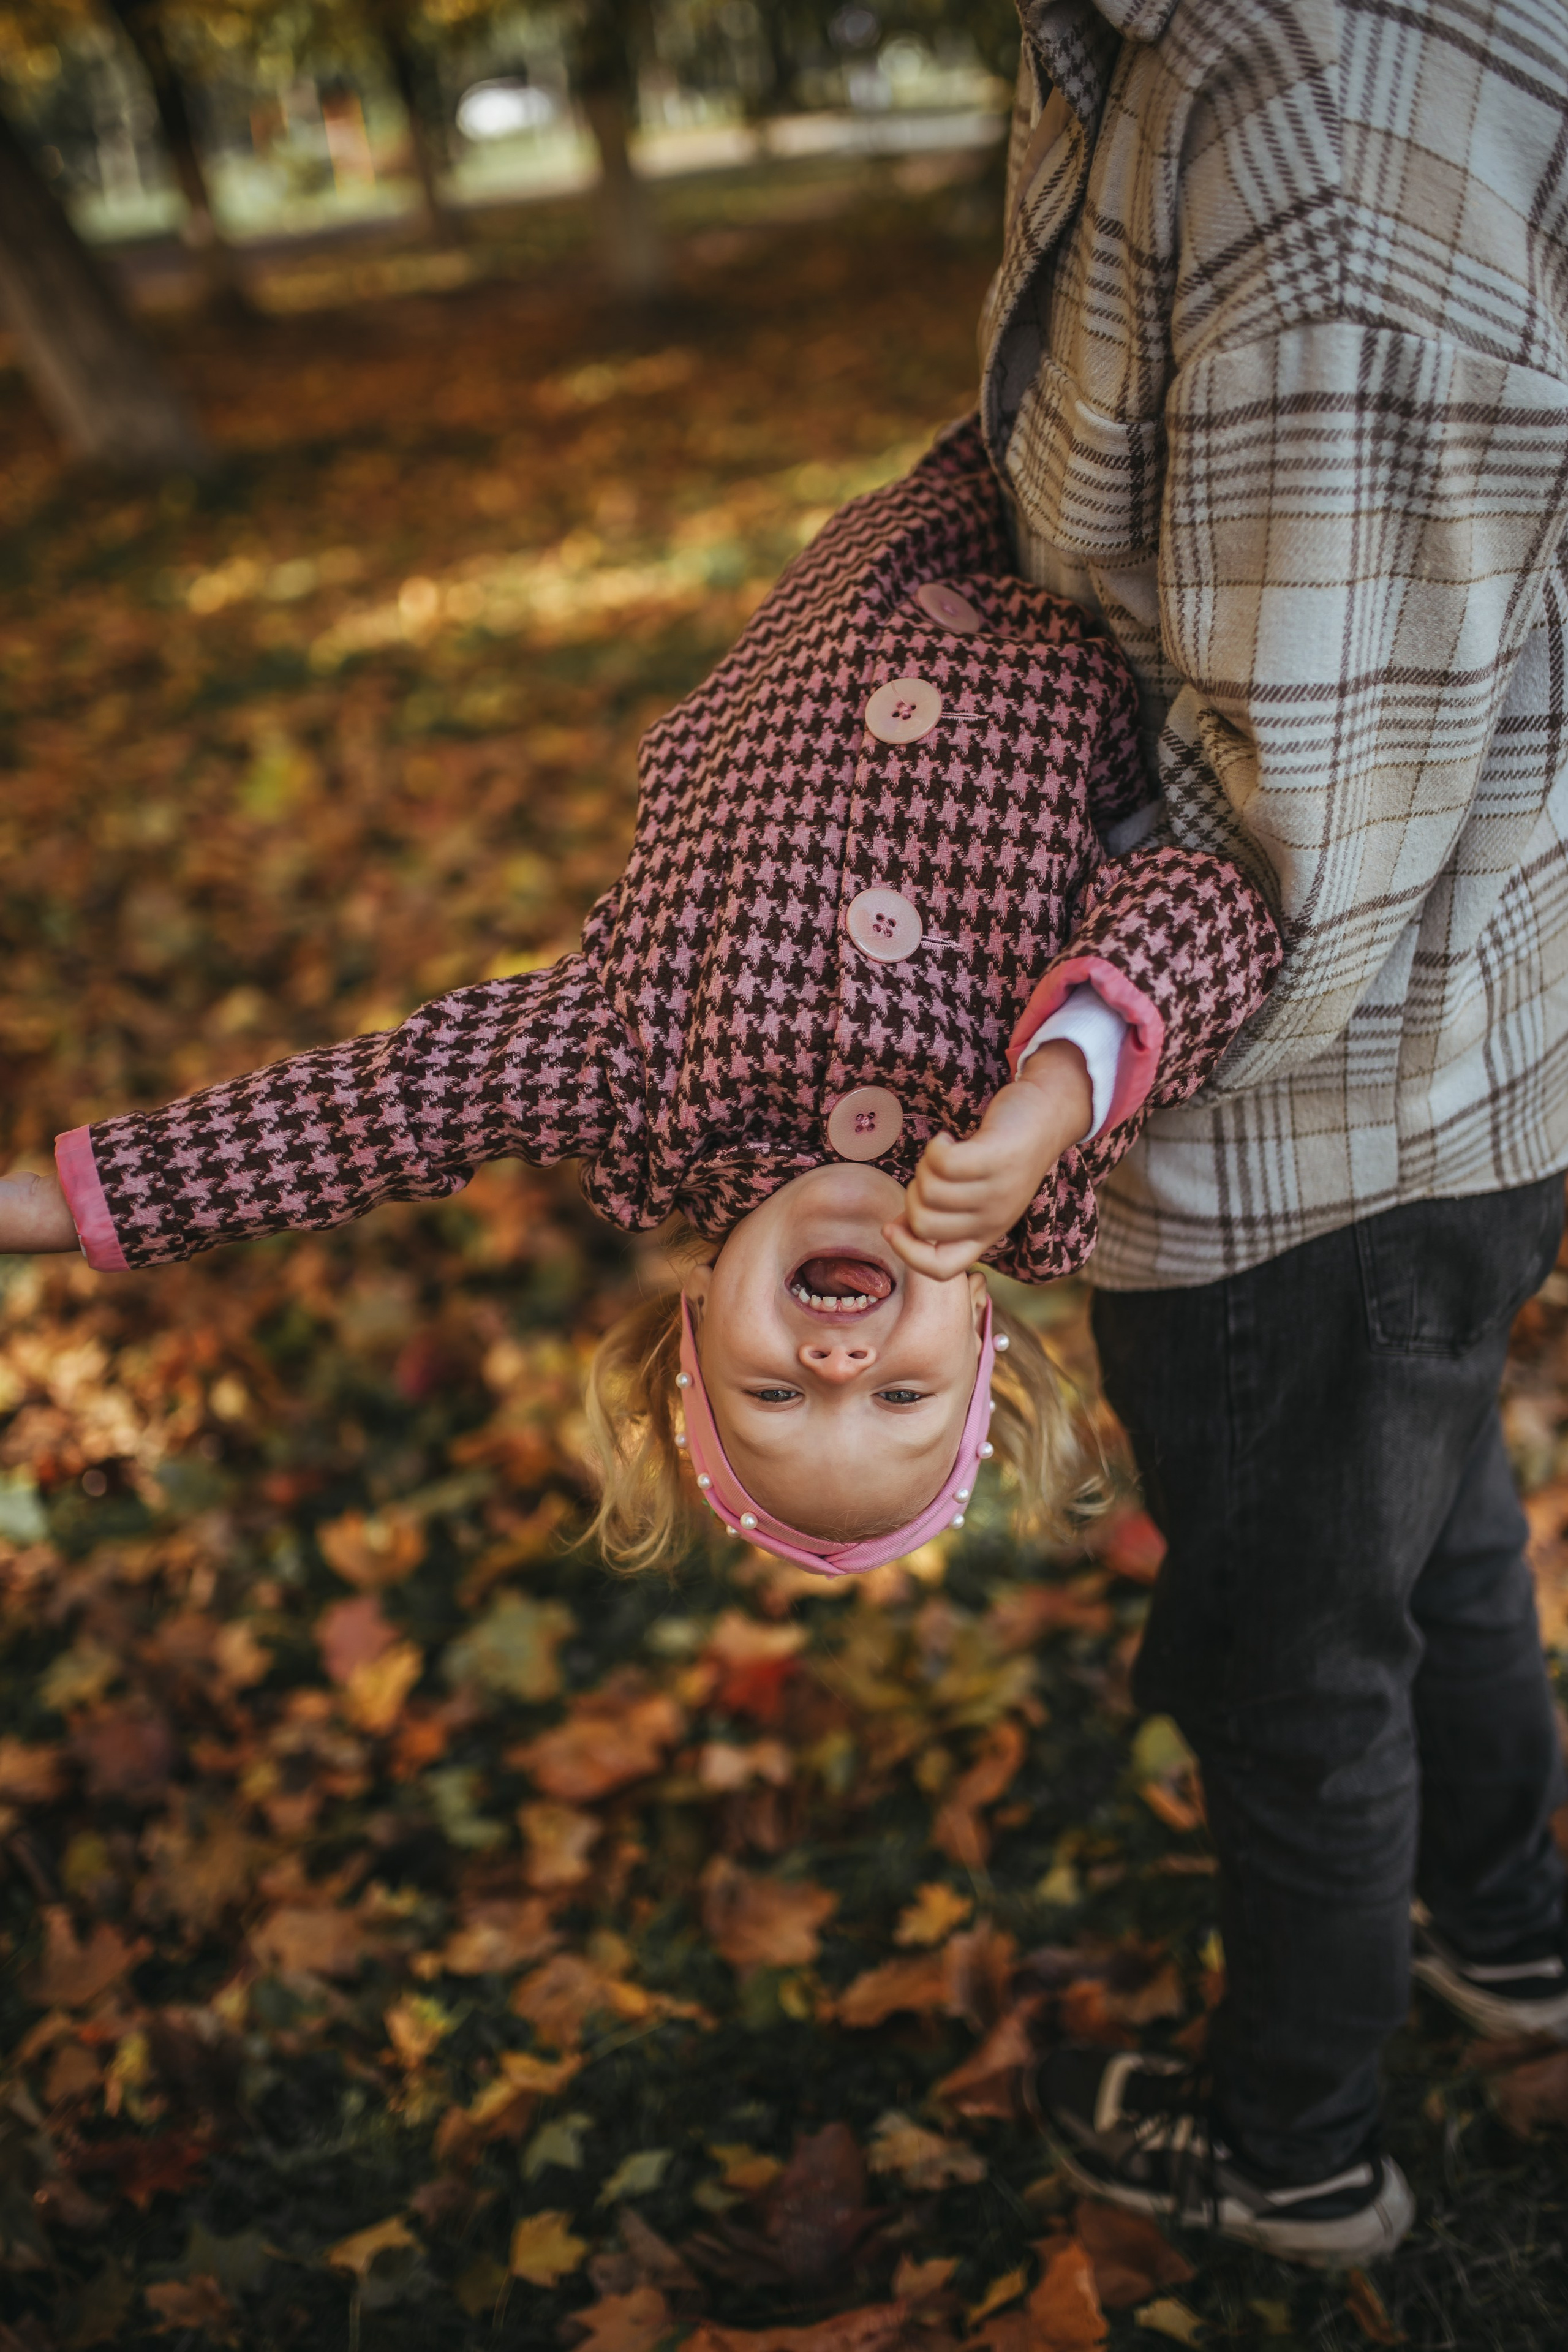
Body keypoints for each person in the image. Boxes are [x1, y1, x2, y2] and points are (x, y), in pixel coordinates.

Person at [0, 421, 1279, 1586]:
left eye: (771, 1399)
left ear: (694, 1327)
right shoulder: (1029, 1147)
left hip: (926, 518)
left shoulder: (642, 1084)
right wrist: (1058, 1092)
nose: (839, 1369)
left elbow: (379, 1113)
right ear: (980, 1335)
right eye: (904, 1399)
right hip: (1104, 593)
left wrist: (79, 1201)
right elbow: (1213, 912)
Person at [984, 0, 1568, 2272]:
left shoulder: (1301, 109)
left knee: (1292, 1652)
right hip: (1468, 1042)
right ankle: (1514, 1931)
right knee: (1431, 1537)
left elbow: (1300, 822)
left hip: (1305, 1105)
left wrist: (1050, 1068)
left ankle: (1299, 2149)